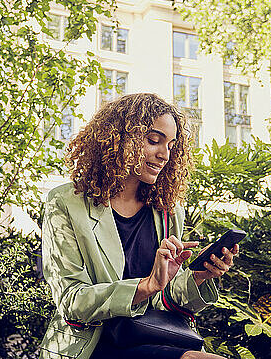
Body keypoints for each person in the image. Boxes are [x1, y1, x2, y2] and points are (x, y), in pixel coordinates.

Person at [39, 93, 239, 359]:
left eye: (171, 145)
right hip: (91, 344)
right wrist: (146, 286)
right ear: (118, 139)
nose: (164, 154)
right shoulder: (66, 203)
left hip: (149, 336)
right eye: (154, 140)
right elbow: (71, 301)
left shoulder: (166, 209)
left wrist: (200, 275)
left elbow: (166, 297)